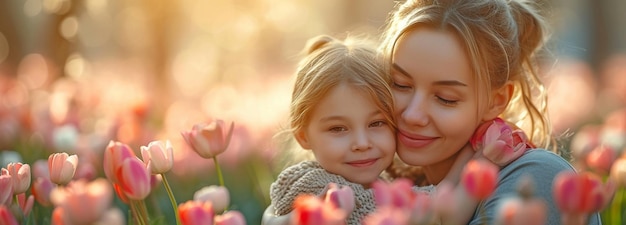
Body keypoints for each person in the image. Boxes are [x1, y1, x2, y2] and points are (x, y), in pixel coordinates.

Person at [378, 0, 601, 224]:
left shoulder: (535, 176)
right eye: (400, 84)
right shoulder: (388, 183)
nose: (412, 115)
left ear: (497, 101)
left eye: (446, 98)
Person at [266, 34, 478, 225]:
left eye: (376, 123)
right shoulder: (317, 187)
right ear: (303, 136)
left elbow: (439, 197)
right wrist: (486, 159)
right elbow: (443, 215)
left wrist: (472, 153)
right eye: (338, 128)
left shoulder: (380, 181)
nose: (362, 143)